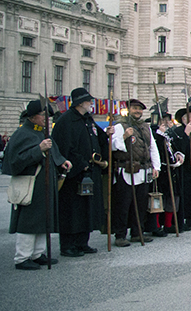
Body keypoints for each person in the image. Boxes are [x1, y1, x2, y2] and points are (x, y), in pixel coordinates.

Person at [5, 99, 69, 270]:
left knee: (43, 218)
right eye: (43, 115)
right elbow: (15, 161)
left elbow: (53, 152)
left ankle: (37, 253)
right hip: (30, 183)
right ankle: (22, 257)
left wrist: (61, 161)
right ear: (32, 117)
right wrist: (38, 149)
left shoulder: (41, 132)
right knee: (29, 221)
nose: (46, 119)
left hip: (44, 184)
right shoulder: (22, 134)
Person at [50, 87, 108, 257]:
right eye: (89, 101)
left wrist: (107, 135)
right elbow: (65, 147)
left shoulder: (88, 119)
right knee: (72, 210)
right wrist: (81, 164)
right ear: (81, 103)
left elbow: (98, 139)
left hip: (90, 171)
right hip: (74, 173)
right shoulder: (66, 121)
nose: (91, 104)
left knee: (87, 208)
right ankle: (67, 245)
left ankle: (83, 242)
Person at [109, 99, 163, 247]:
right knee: (123, 204)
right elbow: (112, 146)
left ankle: (137, 232)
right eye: (134, 108)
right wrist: (125, 136)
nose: (137, 111)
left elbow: (153, 147)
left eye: (139, 109)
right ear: (129, 110)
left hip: (143, 170)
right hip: (126, 169)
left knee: (140, 205)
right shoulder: (120, 126)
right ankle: (120, 235)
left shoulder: (145, 127)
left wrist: (156, 167)